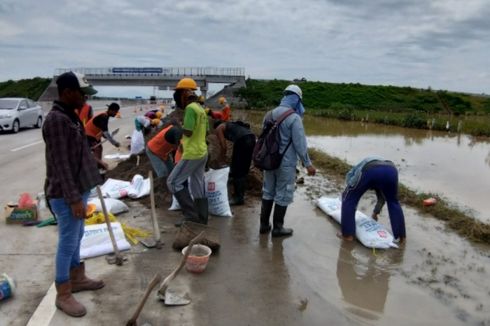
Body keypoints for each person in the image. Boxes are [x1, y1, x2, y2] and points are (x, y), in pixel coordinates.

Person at [42, 71, 104, 317]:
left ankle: (77, 278)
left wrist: (96, 164)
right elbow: (61, 164)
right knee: (67, 242)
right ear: (67, 92)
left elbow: (76, 153)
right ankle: (63, 293)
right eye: (82, 93)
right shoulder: (57, 120)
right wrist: (74, 199)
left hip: (78, 189)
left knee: (77, 237)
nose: (85, 99)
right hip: (65, 193)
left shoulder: (70, 116)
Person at [259, 84, 316, 237]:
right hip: (286, 163)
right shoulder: (294, 118)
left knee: (268, 191)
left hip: (269, 161)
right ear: (297, 100)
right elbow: (300, 143)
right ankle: (278, 228)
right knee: (283, 193)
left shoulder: (269, 114)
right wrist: (308, 163)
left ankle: (264, 226)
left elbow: (263, 137)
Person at [167, 78, 209, 226]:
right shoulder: (201, 109)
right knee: (197, 186)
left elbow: (189, 133)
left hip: (192, 153)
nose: (178, 97)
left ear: (185, 92)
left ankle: (191, 216)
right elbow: (207, 131)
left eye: (179, 93)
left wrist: (178, 124)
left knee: (172, 182)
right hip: (202, 151)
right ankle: (202, 219)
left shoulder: (191, 108)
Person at [339, 156, 406, 243]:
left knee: (349, 199)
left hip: (371, 169)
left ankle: (347, 235)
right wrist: (375, 213)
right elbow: (382, 198)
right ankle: (402, 237)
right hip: (391, 170)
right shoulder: (380, 183)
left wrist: (348, 192)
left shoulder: (354, 171)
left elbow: (350, 180)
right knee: (393, 201)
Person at [214, 120, 256, 205]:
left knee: (237, 169)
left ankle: (238, 198)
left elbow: (224, 146)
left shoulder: (219, 128)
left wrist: (221, 159)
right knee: (243, 169)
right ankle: (240, 195)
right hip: (252, 138)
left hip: (242, 140)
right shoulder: (232, 125)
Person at [84, 102, 121, 170]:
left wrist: (106, 137)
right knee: (96, 150)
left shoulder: (105, 116)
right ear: (111, 110)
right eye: (115, 112)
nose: (116, 114)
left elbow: (103, 132)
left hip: (94, 134)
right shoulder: (104, 116)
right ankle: (96, 166)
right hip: (88, 134)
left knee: (99, 148)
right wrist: (114, 143)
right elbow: (106, 132)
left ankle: (99, 165)